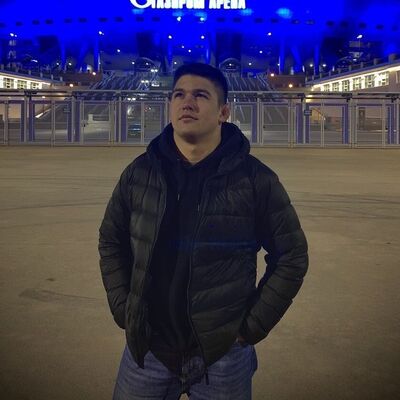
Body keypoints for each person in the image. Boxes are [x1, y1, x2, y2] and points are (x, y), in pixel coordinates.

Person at [98, 63, 308, 400]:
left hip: (222, 355)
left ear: (224, 111)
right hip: (149, 350)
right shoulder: (140, 173)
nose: (187, 103)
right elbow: (111, 239)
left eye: (200, 95)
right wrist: (124, 308)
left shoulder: (256, 180)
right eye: (179, 95)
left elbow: (292, 255)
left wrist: (249, 328)